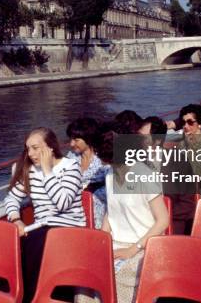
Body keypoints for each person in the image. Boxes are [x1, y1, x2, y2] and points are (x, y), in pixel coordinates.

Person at [77, 123, 169, 303]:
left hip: (145, 245)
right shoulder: (111, 173)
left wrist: (132, 249)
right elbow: (111, 212)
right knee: (86, 274)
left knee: (117, 279)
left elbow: (163, 221)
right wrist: (101, 240)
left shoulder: (144, 174)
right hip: (116, 244)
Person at [4, 128, 86, 302]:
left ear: (50, 147)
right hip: (42, 229)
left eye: (35, 148)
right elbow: (11, 197)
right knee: (14, 245)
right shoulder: (30, 170)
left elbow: (62, 203)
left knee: (41, 243)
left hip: (70, 229)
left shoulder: (70, 167)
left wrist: (48, 171)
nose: (31, 153)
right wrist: (16, 219)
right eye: (28, 149)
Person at [66, 117, 108, 229]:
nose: (71, 144)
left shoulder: (103, 162)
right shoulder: (71, 158)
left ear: (88, 139)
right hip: (74, 212)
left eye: (76, 140)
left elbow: (111, 190)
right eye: (71, 139)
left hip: (99, 214)